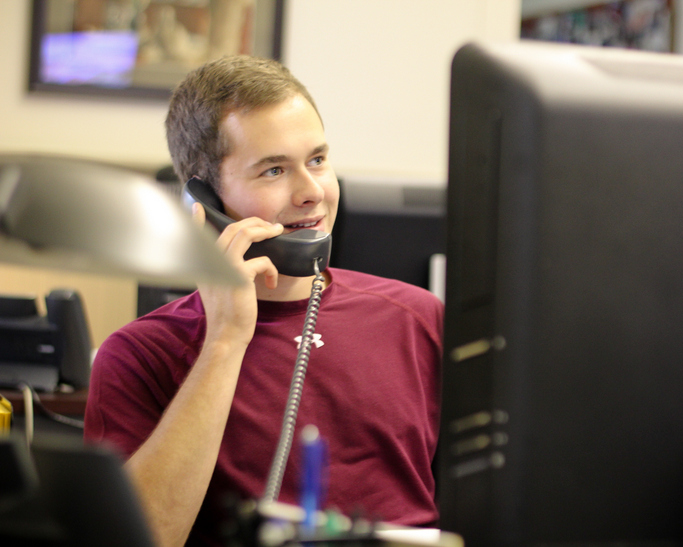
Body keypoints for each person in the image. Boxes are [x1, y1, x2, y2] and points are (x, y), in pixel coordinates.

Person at [83, 55, 443, 547]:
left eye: (317, 160)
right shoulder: (139, 355)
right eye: (274, 170)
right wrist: (225, 341)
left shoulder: (418, 319)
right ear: (205, 202)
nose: (312, 191)